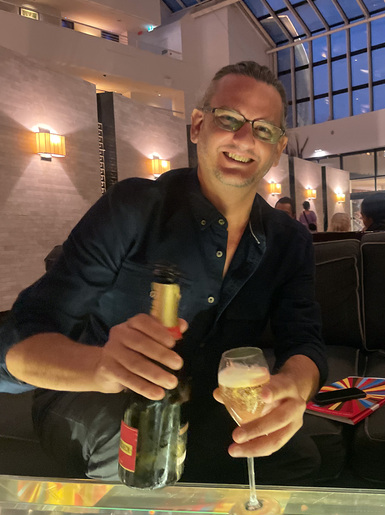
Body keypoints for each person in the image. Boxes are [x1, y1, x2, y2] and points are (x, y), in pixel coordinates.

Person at [0, 61, 327, 485]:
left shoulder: (289, 239)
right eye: (229, 119)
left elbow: (303, 340)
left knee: (298, 457)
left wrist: (293, 389)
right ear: (198, 126)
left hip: (207, 399)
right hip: (95, 396)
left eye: (263, 129)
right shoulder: (133, 207)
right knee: (139, 451)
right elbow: (18, 340)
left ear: (278, 148)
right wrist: (100, 366)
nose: (245, 138)